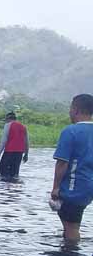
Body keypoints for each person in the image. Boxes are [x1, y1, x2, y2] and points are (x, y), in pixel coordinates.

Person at [51, 94, 93, 244]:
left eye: (70, 108)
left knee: (71, 227)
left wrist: (55, 188)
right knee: (70, 222)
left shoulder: (71, 131)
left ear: (76, 110)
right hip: (88, 185)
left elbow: (62, 163)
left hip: (75, 185)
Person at [0, 112, 29, 180]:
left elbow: (4, 141)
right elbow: (26, 142)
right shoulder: (23, 127)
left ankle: (4, 188)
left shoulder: (7, 125)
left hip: (9, 152)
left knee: (3, 173)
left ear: (8, 119)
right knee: (14, 173)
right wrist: (26, 154)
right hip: (19, 153)